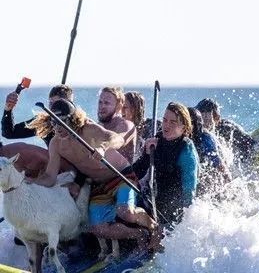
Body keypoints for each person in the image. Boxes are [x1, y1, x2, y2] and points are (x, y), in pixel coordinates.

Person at [28, 99, 160, 251]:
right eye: (54, 123)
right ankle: (139, 234)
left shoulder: (88, 129)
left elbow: (117, 138)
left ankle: (154, 227)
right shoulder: (56, 144)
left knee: (126, 213)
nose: (58, 128)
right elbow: (50, 177)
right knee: (98, 229)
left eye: (62, 122)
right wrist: (29, 182)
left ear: (72, 119)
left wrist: (103, 147)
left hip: (121, 177)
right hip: (99, 186)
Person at [0, 129, 75, 240]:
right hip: (44, 192)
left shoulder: (20, 151)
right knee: (20, 239)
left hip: (63, 178)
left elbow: (52, 160)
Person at [132, 102, 198, 226]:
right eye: (164, 120)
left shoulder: (186, 150)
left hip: (176, 208)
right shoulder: (157, 140)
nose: (166, 125)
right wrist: (146, 154)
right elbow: (136, 174)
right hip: (155, 201)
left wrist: (183, 221)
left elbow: (189, 189)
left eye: (173, 122)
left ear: (183, 127)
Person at [1, 84, 74, 146]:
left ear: (70, 104)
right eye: (51, 103)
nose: (53, 108)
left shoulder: (80, 123)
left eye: (57, 103)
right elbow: (9, 133)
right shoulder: (44, 122)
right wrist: (8, 109)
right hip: (53, 160)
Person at [195, 98, 256, 167]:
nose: (204, 116)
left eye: (207, 112)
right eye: (202, 112)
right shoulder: (198, 130)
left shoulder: (227, 128)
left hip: (244, 156)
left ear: (216, 117)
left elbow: (249, 143)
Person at [188, 107, 231, 195]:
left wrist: (228, 181)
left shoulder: (204, 138)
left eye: (188, 123)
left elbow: (218, 163)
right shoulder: (178, 134)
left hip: (207, 174)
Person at [97, 86, 137, 163]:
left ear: (118, 106)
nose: (102, 106)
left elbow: (119, 140)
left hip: (121, 173)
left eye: (107, 103)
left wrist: (103, 148)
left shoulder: (126, 125)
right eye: (100, 102)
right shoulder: (98, 126)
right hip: (99, 172)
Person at [123, 91, 162, 160]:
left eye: (125, 107)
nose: (121, 111)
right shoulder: (120, 128)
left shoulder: (154, 126)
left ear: (135, 109)